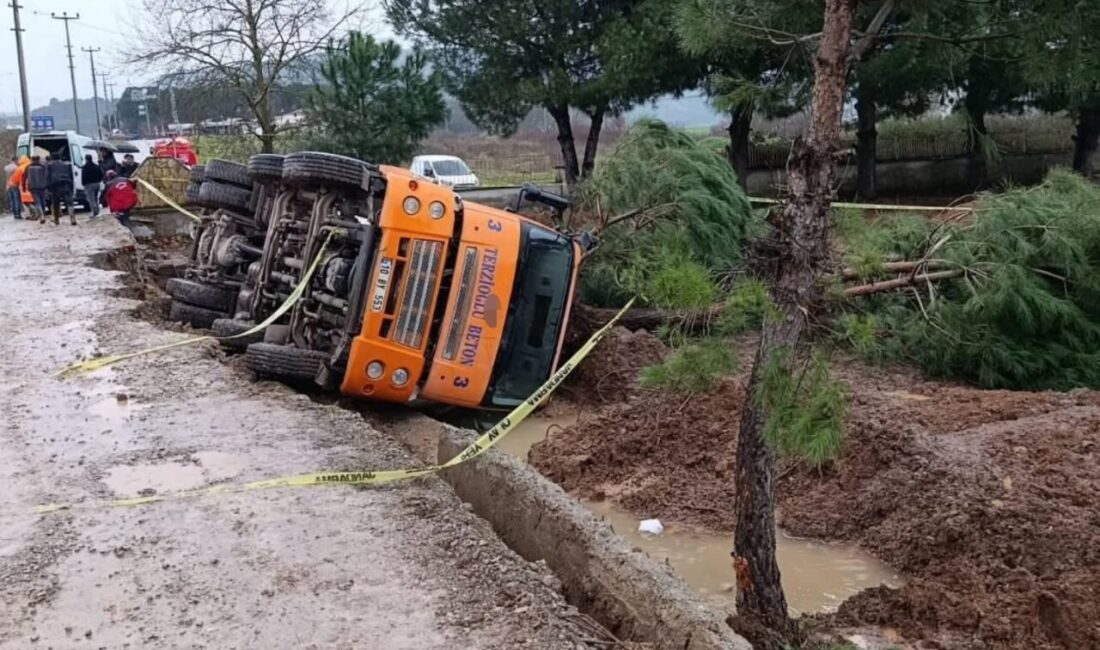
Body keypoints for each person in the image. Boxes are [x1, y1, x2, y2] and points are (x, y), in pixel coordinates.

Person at [46, 154, 76, 226]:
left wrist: (48, 187)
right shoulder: (66, 165)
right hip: (66, 184)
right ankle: (72, 218)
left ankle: (56, 220)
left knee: (56, 203)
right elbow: (71, 176)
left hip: (55, 186)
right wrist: (71, 186)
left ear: (52, 158)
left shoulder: (49, 166)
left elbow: (47, 176)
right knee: (69, 202)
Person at [24, 155, 49, 222]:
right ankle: (43, 214)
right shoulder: (43, 167)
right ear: (39, 159)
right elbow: (47, 176)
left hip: (33, 187)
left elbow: (24, 178)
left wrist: (24, 186)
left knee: (37, 202)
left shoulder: (28, 167)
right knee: (43, 201)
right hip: (42, 187)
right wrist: (48, 186)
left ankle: (41, 216)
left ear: (32, 160)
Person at [81, 154, 104, 218]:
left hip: (89, 185)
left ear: (86, 159)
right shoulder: (96, 166)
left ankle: (94, 212)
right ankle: (97, 211)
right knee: (96, 198)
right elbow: (101, 174)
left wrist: (83, 184)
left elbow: (83, 177)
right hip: (97, 184)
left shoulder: (85, 167)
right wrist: (99, 181)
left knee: (91, 199)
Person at [5, 156, 23, 220]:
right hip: (15, 185)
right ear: (15, 160)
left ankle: (14, 214)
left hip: (8, 185)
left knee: (12, 200)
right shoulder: (16, 167)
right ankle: (18, 214)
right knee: (17, 200)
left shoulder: (6, 167)